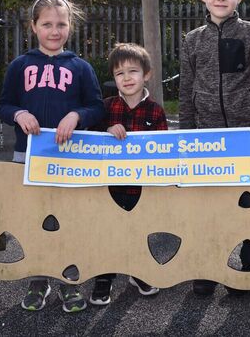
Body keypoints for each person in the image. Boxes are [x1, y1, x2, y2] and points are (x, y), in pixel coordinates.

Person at [0, 0, 105, 313]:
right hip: (28, 157)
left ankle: (69, 281)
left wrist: (76, 116)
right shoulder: (20, 66)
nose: (54, 30)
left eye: (61, 24)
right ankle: (39, 278)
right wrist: (18, 114)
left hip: (69, 159)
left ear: (70, 27)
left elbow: (96, 106)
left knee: (68, 219)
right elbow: (4, 104)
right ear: (33, 26)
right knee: (35, 220)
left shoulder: (81, 67)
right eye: (47, 24)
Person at [179, 0, 250, 297]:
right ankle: (207, 267)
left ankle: (249, 267)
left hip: (245, 136)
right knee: (209, 205)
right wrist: (187, 134)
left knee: (249, 202)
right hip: (205, 138)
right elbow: (186, 90)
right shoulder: (192, 40)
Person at [89, 42, 168, 306]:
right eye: (119, 73)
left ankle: (138, 271)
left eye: (132, 71)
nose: (126, 78)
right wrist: (108, 129)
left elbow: (164, 149)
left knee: (138, 228)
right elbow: (87, 140)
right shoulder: (106, 107)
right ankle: (104, 277)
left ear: (146, 74)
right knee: (106, 229)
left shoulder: (155, 110)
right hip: (109, 185)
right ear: (114, 78)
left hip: (140, 186)